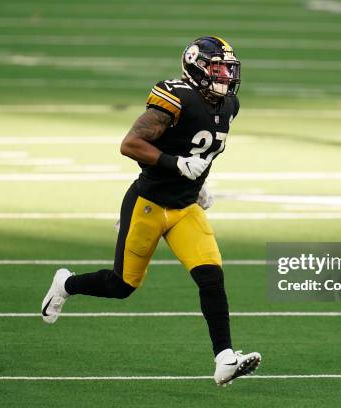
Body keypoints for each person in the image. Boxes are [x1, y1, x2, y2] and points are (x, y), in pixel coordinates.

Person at [41, 36, 261, 386]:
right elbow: (130, 144)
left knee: (211, 276)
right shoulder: (176, 98)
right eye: (216, 67)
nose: (224, 75)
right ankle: (66, 284)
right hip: (148, 204)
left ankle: (224, 360)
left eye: (227, 68)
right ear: (196, 67)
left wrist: (197, 184)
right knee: (122, 285)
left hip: (184, 207)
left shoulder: (229, 105)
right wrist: (175, 164)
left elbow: (197, 149)